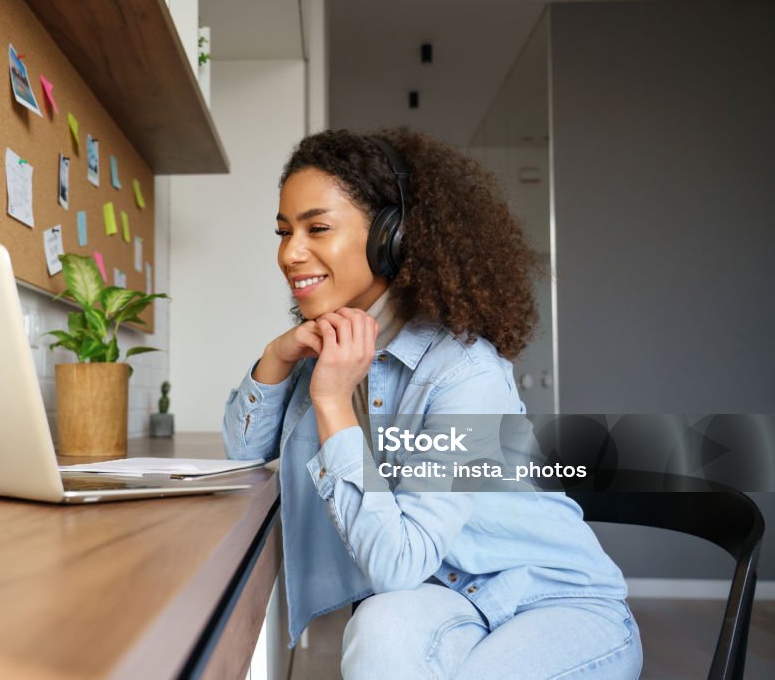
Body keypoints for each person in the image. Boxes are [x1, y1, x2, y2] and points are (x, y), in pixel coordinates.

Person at [222, 127, 643, 678]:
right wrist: (276, 357)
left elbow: (397, 562)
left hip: (553, 601)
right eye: (283, 232)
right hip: (445, 598)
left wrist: (331, 402)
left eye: (316, 228)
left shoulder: (466, 374)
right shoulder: (331, 347)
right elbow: (244, 446)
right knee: (378, 631)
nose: (289, 253)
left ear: (391, 236)